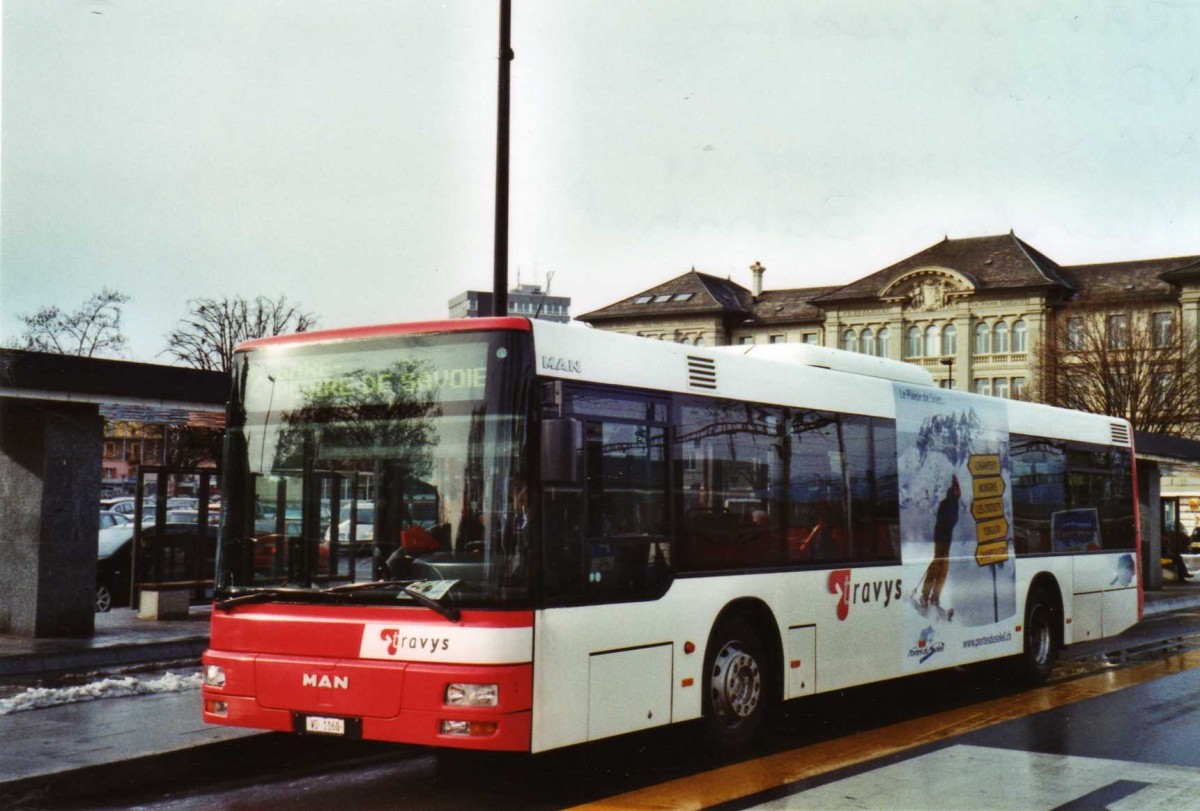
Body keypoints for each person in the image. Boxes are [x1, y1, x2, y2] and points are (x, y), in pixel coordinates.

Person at [919, 475, 961, 610]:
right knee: (937, 566)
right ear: (952, 490)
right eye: (955, 490)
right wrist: (943, 533)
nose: (957, 492)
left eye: (958, 490)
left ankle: (935, 596)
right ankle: (925, 595)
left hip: (946, 540)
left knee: (943, 569)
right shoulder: (946, 503)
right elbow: (942, 522)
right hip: (941, 539)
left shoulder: (955, 504)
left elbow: (950, 523)